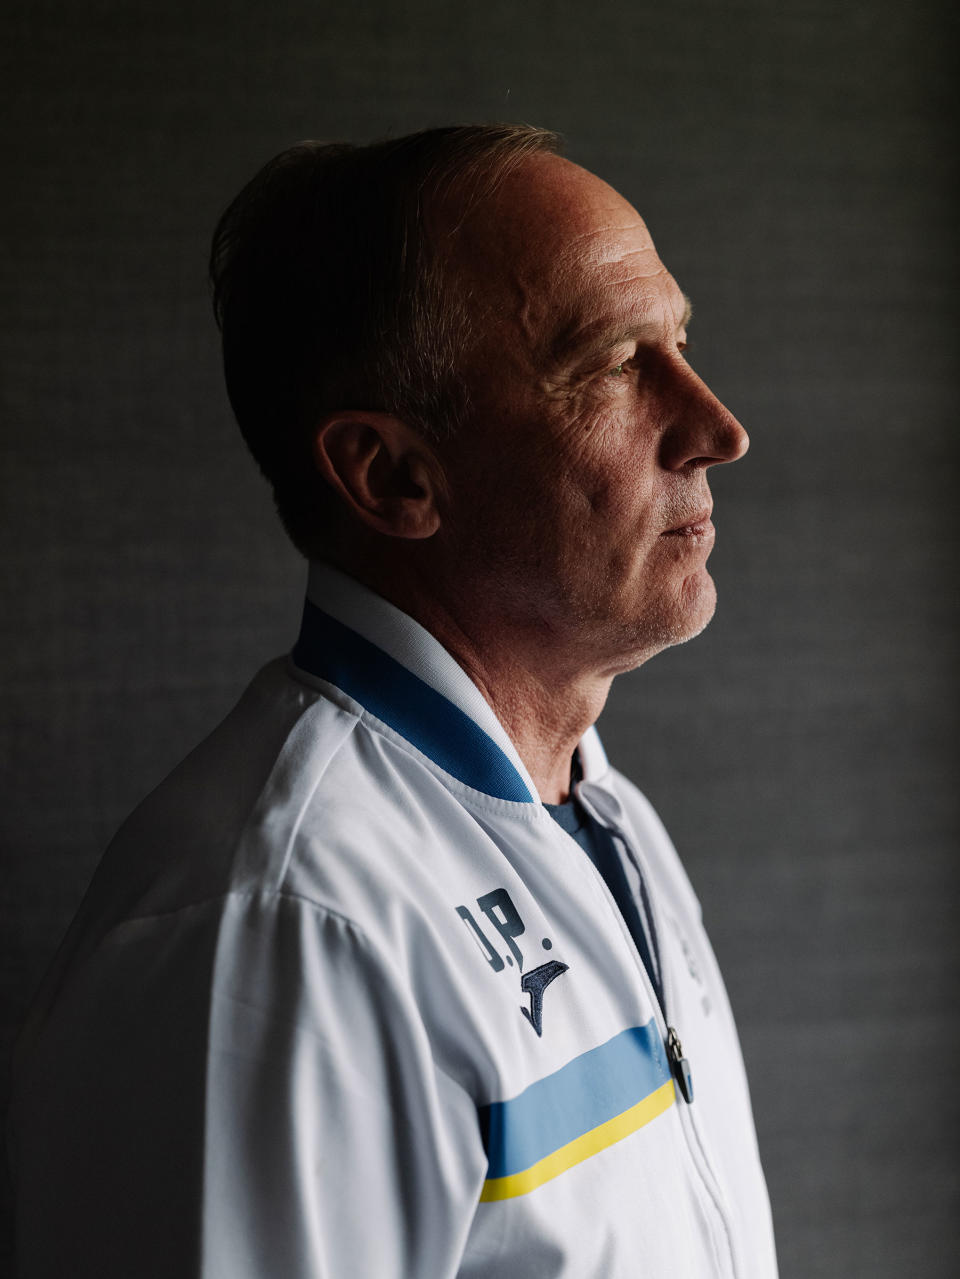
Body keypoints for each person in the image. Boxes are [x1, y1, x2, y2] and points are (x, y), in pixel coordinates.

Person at [9, 124, 778, 1277]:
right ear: (394, 475)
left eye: (680, 340)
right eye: (612, 364)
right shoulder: (284, 927)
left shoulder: (604, 819)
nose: (718, 427)